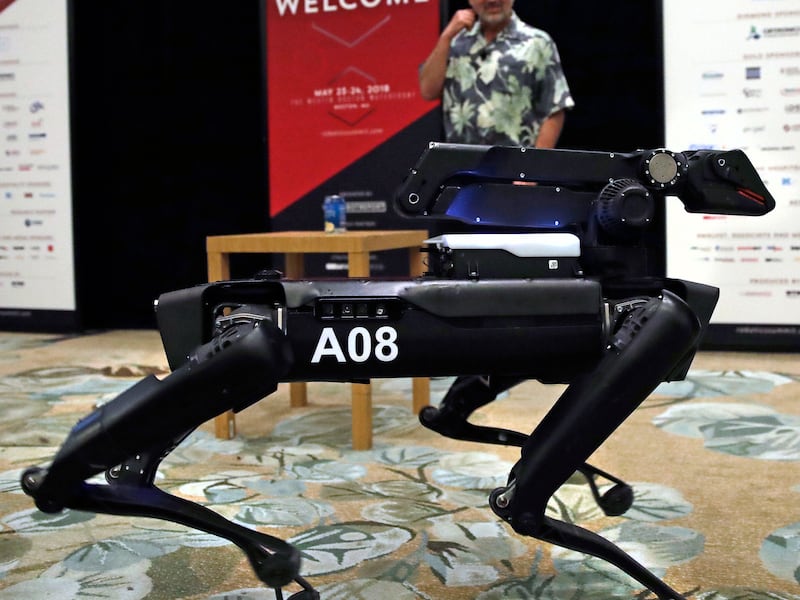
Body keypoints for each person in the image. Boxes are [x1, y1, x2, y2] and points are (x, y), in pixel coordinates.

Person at [419, 0, 573, 148]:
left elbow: (555, 108)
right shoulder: (455, 42)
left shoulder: (537, 43)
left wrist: (533, 169)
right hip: (461, 168)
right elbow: (428, 91)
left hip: (515, 168)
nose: (492, 0)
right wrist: (446, 37)